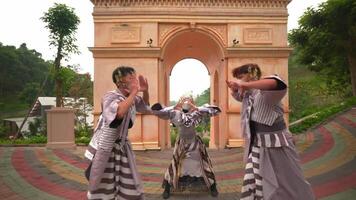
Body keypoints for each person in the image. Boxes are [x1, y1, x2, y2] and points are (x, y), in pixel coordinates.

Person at [227, 63, 315, 200]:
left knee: (286, 181)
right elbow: (242, 98)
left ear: (251, 74)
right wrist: (235, 89)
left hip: (277, 144)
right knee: (252, 180)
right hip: (258, 145)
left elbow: (276, 83)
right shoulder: (251, 95)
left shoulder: (267, 91)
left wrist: (246, 86)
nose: (239, 80)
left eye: (241, 76)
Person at [84, 66, 150, 200]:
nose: (135, 81)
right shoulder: (110, 96)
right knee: (105, 184)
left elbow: (145, 107)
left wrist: (146, 91)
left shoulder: (131, 99)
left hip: (122, 147)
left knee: (129, 182)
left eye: (135, 77)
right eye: (131, 78)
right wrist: (134, 92)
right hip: (107, 148)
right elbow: (118, 113)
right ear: (120, 82)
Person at [151, 97, 220, 199]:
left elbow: (216, 111)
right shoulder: (175, 113)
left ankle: (213, 187)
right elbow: (156, 112)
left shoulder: (197, 113)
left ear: (192, 102)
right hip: (181, 144)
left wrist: (196, 108)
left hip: (194, 143)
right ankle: (167, 188)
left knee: (203, 165)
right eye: (184, 100)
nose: (187, 102)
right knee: (175, 165)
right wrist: (173, 107)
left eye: (189, 100)